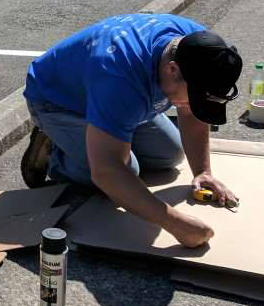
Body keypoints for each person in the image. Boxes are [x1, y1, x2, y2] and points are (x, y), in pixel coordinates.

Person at [20, 13, 242, 248]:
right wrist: (176, 224)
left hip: (117, 98)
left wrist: (203, 171)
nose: (194, 107)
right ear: (172, 69)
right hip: (58, 102)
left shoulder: (200, 48)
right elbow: (107, 171)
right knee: (121, 172)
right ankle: (56, 148)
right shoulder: (119, 76)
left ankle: (109, 132)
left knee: (169, 153)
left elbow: (193, 114)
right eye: (195, 99)